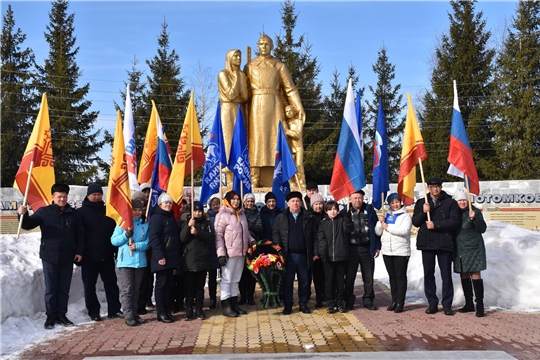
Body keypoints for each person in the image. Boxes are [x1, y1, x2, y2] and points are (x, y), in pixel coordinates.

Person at [18, 183, 84, 329]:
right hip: (49, 256)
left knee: (63, 288)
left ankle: (61, 314)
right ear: (53, 197)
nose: (62, 199)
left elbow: (80, 234)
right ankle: (50, 316)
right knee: (51, 288)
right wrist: (22, 214)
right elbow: (28, 225)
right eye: (59, 196)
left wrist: (79, 251)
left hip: (68, 257)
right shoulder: (44, 212)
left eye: (64, 196)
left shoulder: (74, 214)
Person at [244, 34, 305, 187]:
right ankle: (255, 176)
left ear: (271, 46)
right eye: (261, 43)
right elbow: (244, 90)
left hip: (274, 104)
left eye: (266, 44)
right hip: (256, 106)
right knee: (256, 141)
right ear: (257, 46)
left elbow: (290, 89)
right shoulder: (250, 66)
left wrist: (298, 107)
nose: (263, 46)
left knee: (278, 139)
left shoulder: (279, 66)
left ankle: (283, 174)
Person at [412, 177, 460, 316]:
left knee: (446, 275)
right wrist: (423, 211)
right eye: (432, 186)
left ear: (441, 187)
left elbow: (454, 221)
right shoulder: (422, 202)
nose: (435, 189)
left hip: (444, 243)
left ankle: (447, 305)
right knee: (429, 274)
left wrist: (436, 225)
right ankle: (432, 303)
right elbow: (415, 221)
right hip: (427, 243)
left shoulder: (450, 202)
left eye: (437, 186)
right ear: (428, 188)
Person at [77, 183, 122, 321]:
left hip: (107, 255)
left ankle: (114, 309)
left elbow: (115, 231)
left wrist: (115, 250)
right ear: (88, 195)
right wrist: (79, 252)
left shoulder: (107, 211)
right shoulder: (81, 213)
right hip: (89, 257)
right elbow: (78, 235)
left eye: (99, 194)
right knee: (89, 286)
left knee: (111, 284)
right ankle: (94, 312)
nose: (97, 197)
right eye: (94, 194)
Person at [272, 191, 315, 315]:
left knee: (304, 281)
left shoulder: (308, 216)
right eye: (292, 201)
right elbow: (276, 233)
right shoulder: (281, 217)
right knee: (287, 281)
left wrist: (314, 252)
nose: (295, 203)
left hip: (303, 254)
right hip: (287, 255)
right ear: (288, 203)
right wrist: (278, 248)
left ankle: (303, 303)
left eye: (297, 201)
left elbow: (314, 235)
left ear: (301, 202)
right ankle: (288, 305)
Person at [214, 190, 254, 317]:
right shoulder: (222, 215)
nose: (236, 201)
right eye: (233, 199)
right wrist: (221, 253)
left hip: (241, 252)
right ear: (228, 200)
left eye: (238, 199)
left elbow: (245, 232)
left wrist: (252, 241)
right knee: (227, 279)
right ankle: (226, 306)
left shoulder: (241, 214)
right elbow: (218, 236)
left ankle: (234, 304)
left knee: (236, 279)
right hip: (229, 253)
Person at [110, 200, 150, 326]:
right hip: (126, 262)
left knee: (136, 290)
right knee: (128, 289)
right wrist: (125, 236)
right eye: (135, 210)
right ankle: (128, 315)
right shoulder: (123, 224)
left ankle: (135, 313)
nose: (138, 212)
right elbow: (114, 241)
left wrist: (137, 246)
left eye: (139, 210)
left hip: (140, 262)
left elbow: (148, 242)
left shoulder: (145, 225)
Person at [375, 193, 413, 313]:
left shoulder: (405, 216)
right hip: (387, 251)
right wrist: (380, 223)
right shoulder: (386, 215)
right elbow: (377, 232)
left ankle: (400, 303)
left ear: (401, 202)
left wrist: (387, 227)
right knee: (392, 277)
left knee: (400, 277)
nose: (395, 204)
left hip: (401, 251)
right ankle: (394, 300)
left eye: (397, 202)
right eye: (392, 202)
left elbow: (404, 230)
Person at [344, 190, 381, 311]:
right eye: (355, 198)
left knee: (368, 276)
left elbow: (376, 229)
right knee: (350, 277)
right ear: (350, 199)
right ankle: (349, 301)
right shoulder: (346, 211)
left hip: (366, 247)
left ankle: (368, 300)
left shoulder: (369, 210)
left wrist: (377, 246)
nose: (357, 200)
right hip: (351, 249)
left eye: (359, 198)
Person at [453, 190, 487, 317]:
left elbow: (482, 229)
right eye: (460, 200)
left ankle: (480, 305)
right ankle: (469, 303)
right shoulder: (454, 213)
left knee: (475, 274)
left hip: (474, 248)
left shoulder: (475, 211)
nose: (462, 202)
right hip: (460, 248)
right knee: (464, 274)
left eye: (464, 200)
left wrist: (475, 218)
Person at [148, 192, 181, 323]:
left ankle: (167, 310)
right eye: (165, 203)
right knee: (161, 285)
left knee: (168, 285)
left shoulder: (171, 217)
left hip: (171, 256)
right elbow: (154, 238)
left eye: (169, 203)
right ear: (160, 204)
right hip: (161, 257)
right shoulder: (157, 218)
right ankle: (161, 312)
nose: (168, 205)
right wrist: (160, 256)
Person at [218, 49, 249, 185]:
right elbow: (230, 94)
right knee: (228, 141)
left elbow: (245, 96)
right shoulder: (223, 74)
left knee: (240, 140)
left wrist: (238, 79)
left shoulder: (241, 75)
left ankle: (239, 177)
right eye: (235, 56)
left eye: (240, 56)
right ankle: (229, 179)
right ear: (229, 58)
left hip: (238, 109)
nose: (238, 58)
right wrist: (236, 78)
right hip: (226, 109)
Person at [180, 201, 214, 320]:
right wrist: (188, 226)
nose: (197, 213)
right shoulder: (185, 222)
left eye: (199, 211)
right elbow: (182, 238)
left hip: (202, 260)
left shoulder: (206, 223)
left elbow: (210, 237)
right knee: (189, 288)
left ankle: (199, 309)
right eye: (195, 211)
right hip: (189, 261)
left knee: (200, 287)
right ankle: (189, 309)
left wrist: (197, 232)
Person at [318, 201, 354, 314]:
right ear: (326, 211)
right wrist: (322, 252)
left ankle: (340, 301)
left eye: (334, 209)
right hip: (328, 257)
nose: (332, 211)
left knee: (340, 280)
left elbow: (349, 229)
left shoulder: (342, 220)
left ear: (338, 211)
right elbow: (321, 238)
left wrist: (348, 218)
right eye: (330, 209)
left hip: (341, 256)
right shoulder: (323, 223)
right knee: (329, 281)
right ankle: (330, 302)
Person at [238, 193, 263, 305]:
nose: (249, 203)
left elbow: (260, 228)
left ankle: (250, 296)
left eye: (251, 201)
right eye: (247, 201)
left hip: (253, 247)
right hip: (242, 246)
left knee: (252, 273)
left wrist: (248, 225)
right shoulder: (239, 213)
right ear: (244, 202)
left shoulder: (257, 214)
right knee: (242, 273)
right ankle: (243, 296)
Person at [307, 193, 326, 308]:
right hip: (316, 254)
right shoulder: (310, 218)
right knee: (318, 278)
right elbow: (312, 238)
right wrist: (315, 252)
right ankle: (319, 298)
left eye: (320, 204)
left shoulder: (327, 216)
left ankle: (327, 296)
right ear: (312, 205)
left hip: (327, 252)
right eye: (316, 204)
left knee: (327, 277)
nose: (318, 206)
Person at [282, 104, 306, 190]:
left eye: (290, 111)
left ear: (294, 112)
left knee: (299, 165)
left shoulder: (298, 121)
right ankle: (292, 182)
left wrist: (287, 131)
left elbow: (298, 135)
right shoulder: (285, 123)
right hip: (289, 147)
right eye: (286, 111)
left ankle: (301, 182)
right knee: (290, 166)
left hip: (298, 147)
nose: (288, 113)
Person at [206, 196, 221, 309]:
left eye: (217, 204)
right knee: (212, 277)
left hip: (222, 250)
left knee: (225, 275)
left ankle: (225, 298)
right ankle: (212, 298)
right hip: (211, 250)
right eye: (214, 204)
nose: (216, 206)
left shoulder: (224, 216)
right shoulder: (207, 218)